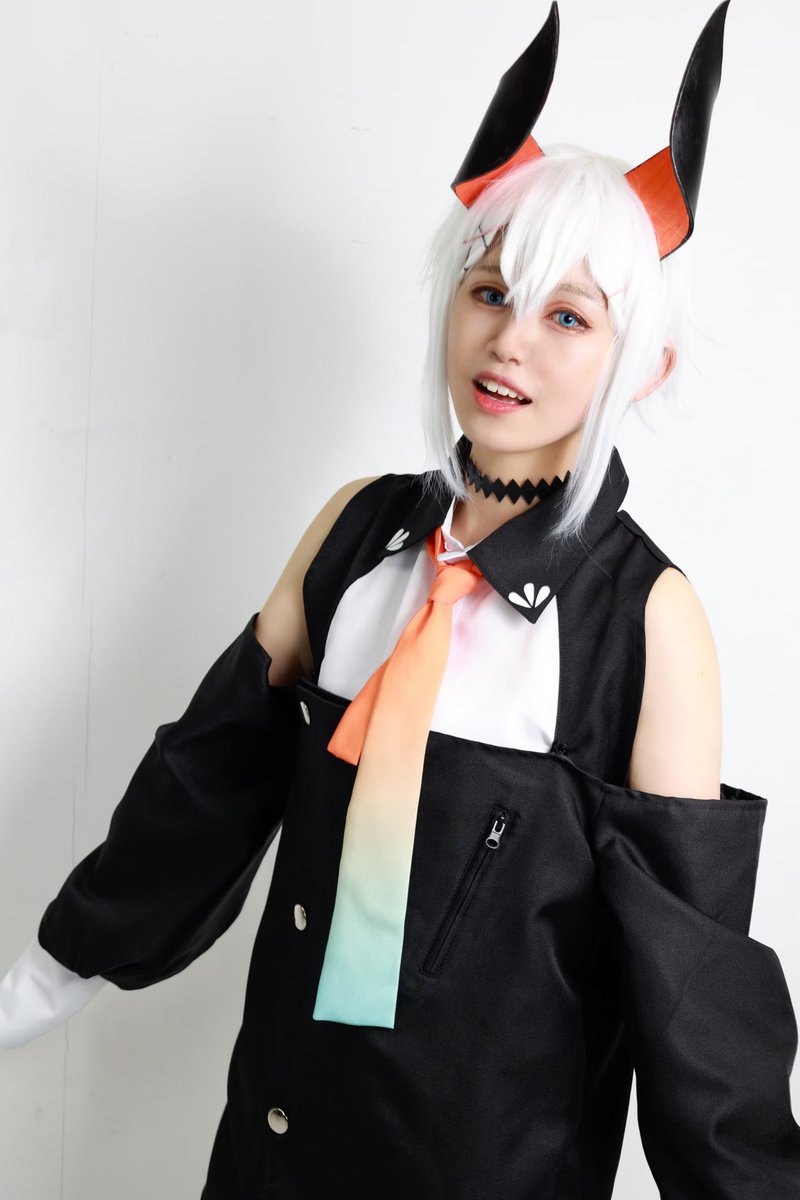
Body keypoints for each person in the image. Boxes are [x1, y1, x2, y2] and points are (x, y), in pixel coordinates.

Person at [2, 1, 800, 1196]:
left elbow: (695, 992)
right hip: (271, 1143)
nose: (508, 343)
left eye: (566, 316)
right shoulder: (356, 532)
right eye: (488, 292)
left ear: (641, 363)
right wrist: (51, 974)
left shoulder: (649, 621)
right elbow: (209, 779)